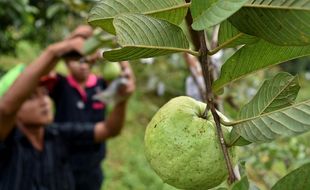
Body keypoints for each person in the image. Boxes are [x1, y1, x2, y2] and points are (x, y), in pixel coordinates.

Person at [0, 36, 135, 190]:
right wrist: (54, 51)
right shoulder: (7, 145)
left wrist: (122, 99)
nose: (44, 101)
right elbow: (5, 109)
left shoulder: (57, 134)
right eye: (31, 97)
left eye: (44, 93)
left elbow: (109, 129)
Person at [41, 25, 133, 190]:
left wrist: (116, 51)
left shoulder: (102, 84)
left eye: (86, 59)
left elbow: (125, 86)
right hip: (61, 161)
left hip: (92, 164)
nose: (83, 65)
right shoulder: (60, 84)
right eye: (77, 59)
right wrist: (69, 42)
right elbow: (41, 75)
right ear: (67, 61)